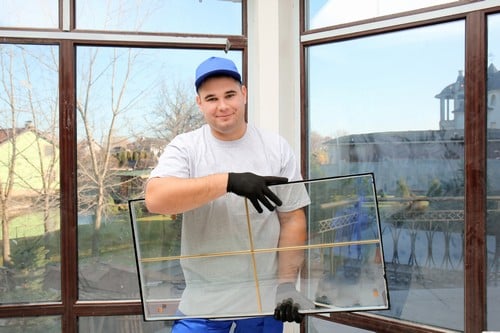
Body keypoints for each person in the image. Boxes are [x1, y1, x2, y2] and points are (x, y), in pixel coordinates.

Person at [145, 56, 312, 333]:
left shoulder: (275, 148)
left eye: (230, 95)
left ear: (244, 94)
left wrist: (285, 285)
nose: (222, 106)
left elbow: (292, 219)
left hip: (262, 304)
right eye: (211, 98)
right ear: (199, 103)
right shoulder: (186, 147)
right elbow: (156, 198)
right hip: (202, 305)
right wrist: (228, 181)